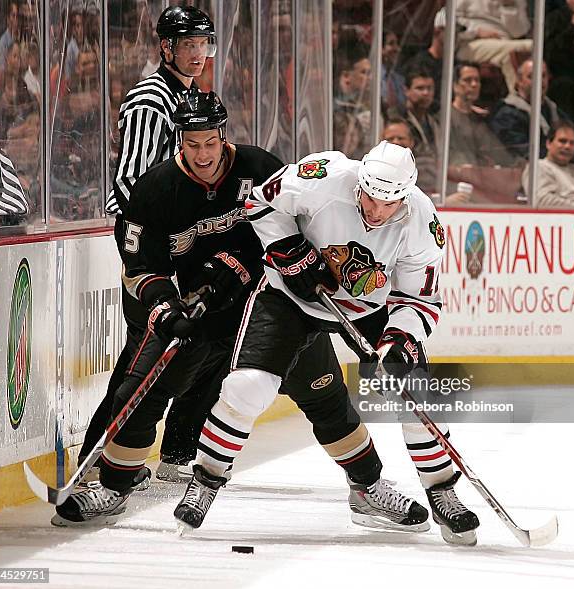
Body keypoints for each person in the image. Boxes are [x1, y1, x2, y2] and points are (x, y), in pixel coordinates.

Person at [52, 92, 434, 537]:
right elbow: (140, 268)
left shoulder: (258, 166)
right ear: (180, 140)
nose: (203, 153)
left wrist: (291, 263)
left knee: (325, 397)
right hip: (201, 310)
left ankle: (367, 488)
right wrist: (166, 308)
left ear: (222, 135)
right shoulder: (156, 189)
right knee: (144, 387)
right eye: (192, 144)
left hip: (276, 303)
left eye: (210, 142)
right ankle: (116, 484)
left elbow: (292, 220)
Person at [177, 141, 480, 546]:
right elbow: (260, 204)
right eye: (369, 197)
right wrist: (288, 249)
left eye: (386, 204)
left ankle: (441, 488)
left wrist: (398, 340)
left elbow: (418, 300)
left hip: (367, 308)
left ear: (405, 196)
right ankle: (207, 480)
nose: (374, 210)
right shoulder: (326, 176)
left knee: (416, 389)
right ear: (361, 182)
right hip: (290, 296)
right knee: (247, 387)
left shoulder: (423, 225)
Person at [78, 5, 217, 480]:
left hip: (178, 239)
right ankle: (99, 458)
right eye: (189, 44)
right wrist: (160, 245)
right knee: (145, 351)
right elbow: (132, 182)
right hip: (148, 240)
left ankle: (175, 449)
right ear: (166, 47)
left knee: (205, 341)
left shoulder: (190, 95)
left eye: (204, 44)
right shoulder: (150, 99)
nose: (198, 54)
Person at [490, 59, 564, 159]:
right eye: (531, 76)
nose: (539, 81)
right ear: (519, 81)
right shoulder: (506, 115)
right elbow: (521, 153)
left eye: (543, 76)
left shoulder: (553, 110)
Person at [455, 0, 533, 93]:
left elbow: (518, 32)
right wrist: (476, 32)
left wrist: (508, 6)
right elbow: (447, 19)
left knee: (533, 47)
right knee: (511, 52)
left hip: (504, 41)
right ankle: (517, 100)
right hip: (471, 42)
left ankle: (531, 98)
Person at [522, 120, 574, 207]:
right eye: (562, 141)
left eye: (572, 143)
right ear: (549, 143)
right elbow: (542, 201)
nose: (567, 146)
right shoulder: (538, 168)